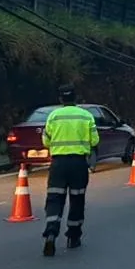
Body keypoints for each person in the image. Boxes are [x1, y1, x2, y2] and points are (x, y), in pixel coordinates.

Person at [41, 84, 100, 257]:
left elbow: (46, 141)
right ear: (76, 98)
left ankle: (51, 232)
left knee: (54, 199)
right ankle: (73, 237)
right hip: (78, 164)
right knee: (77, 200)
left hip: (58, 164)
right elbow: (95, 140)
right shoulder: (86, 116)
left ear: (60, 99)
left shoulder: (53, 116)